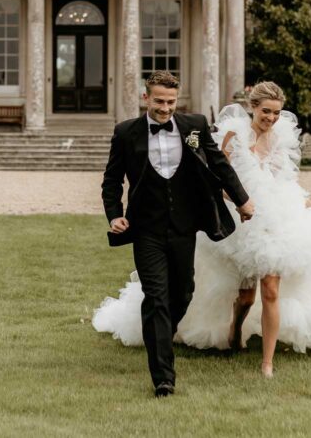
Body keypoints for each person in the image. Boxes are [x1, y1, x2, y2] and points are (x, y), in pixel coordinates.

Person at [94, 81, 311, 379]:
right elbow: (217, 174)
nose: (270, 118)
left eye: (276, 113)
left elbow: (276, 177)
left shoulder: (264, 135)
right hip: (230, 223)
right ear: (252, 108)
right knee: (238, 297)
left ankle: (266, 363)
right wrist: (240, 202)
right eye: (265, 111)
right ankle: (212, 342)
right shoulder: (220, 135)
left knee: (263, 289)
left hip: (277, 219)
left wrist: (301, 202)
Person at [99, 70, 254, 397]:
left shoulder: (193, 126)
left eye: (170, 102)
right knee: (156, 297)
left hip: (184, 227)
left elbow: (219, 165)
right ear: (146, 98)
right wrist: (114, 216)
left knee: (182, 292)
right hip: (146, 229)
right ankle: (163, 378)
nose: (165, 108)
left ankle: (159, 332)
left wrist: (242, 200)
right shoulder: (126, 133)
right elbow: (112, 181)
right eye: (159, 101)